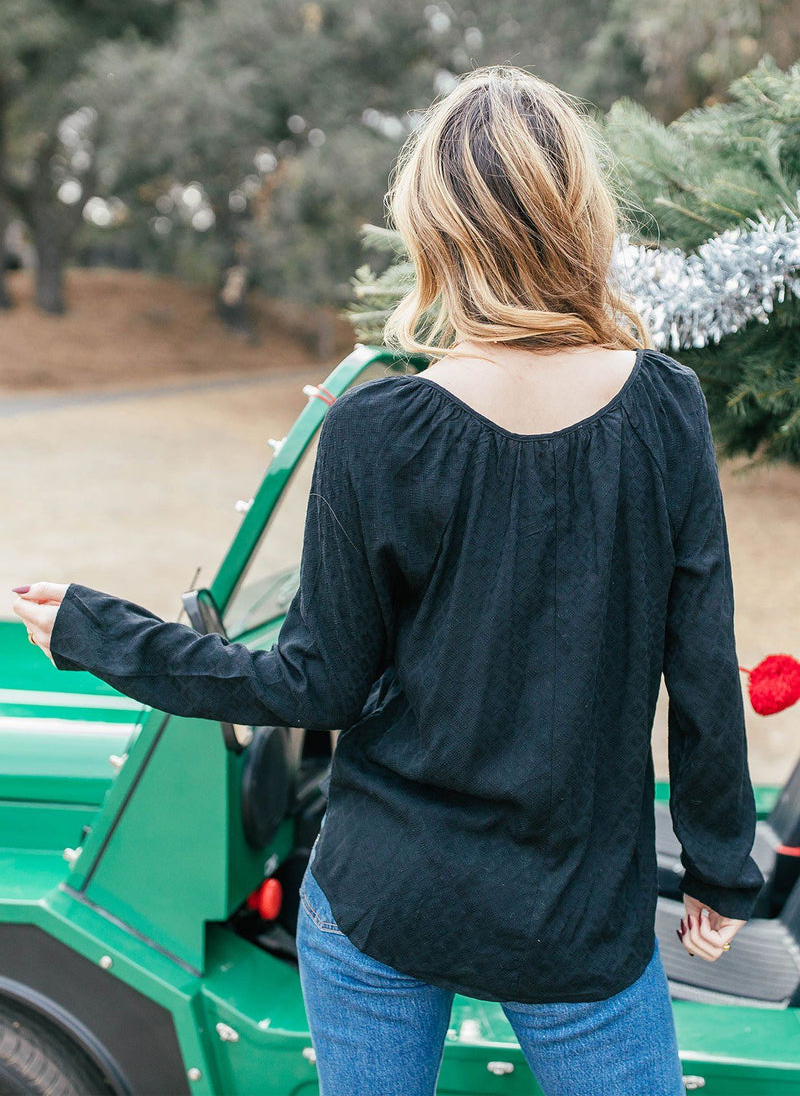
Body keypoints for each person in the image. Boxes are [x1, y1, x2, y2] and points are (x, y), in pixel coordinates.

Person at [12, 65, 764, 1096]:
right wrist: (722, 867)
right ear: (578, 217)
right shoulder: (664, 410)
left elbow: (309, 687)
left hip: (384, 898)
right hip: (575, 908)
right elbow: (701, 670)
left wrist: (106, 634)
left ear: (433, 227)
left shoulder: (374, 429)